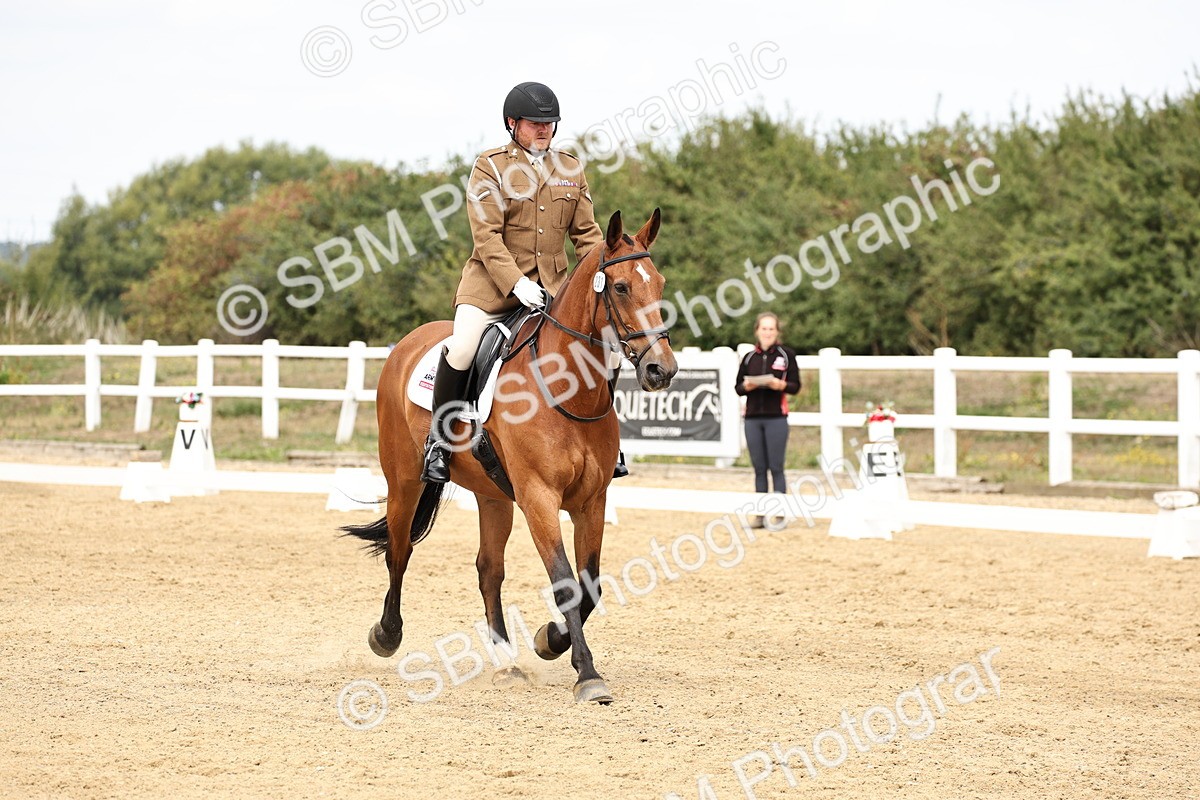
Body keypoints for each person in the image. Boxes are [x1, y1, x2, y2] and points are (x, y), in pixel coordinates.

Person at [421, 81, 609, 483]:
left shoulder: (570, 169)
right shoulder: (490, 166)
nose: (544, 130)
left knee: (600, 346)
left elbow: (588, 236)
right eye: (535, 123)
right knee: (463, 348)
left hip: (553, 292)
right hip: (492, 289)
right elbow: (486, 237)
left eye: (550, 123)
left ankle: (607, 445)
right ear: (512, 124)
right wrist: (516, 284)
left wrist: (603, 273)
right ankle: (439, 442)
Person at [735, 313, 801, 519]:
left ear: (777, 332)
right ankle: (760, 514)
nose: (767, 332)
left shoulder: (786, 354)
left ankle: (780, 513)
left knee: (776, 466)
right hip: (753, 418)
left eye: (771, 329)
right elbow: (738, 387)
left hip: (776, 418)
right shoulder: (748, 357)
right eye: (764, 328)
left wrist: (779, 385)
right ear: (757, 331)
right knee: (759, 467)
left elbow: (795, 386)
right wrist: (747, 385)